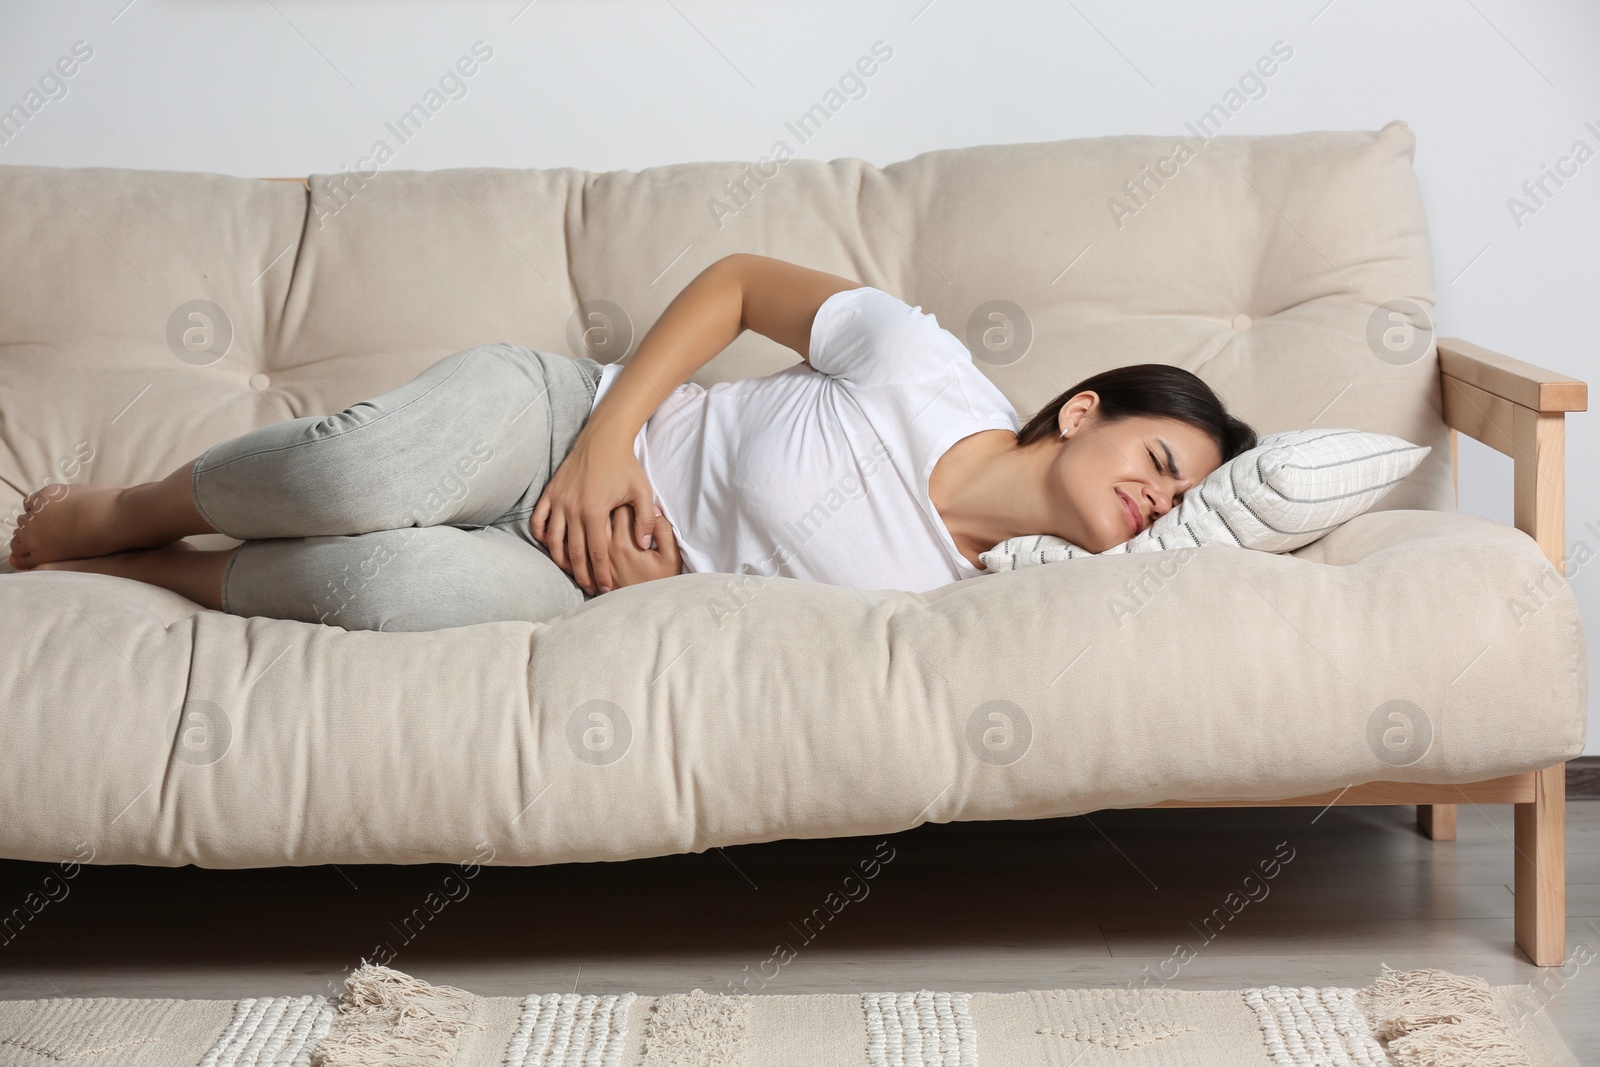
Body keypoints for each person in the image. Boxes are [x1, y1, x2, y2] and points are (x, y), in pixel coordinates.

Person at [6, 254, 1256, 631]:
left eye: (1179, 497)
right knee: (356, 475)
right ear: (1085, 409)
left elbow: (760, 629)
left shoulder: (968, 599)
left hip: (577, 573)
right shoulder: (929, 370)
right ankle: (124, 512)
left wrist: (669, 583)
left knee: (383, 588)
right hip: (565, 421)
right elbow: (737, 285)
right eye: (1159, 459)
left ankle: (140, 579)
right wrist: (607, 438)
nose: (1157, 497)